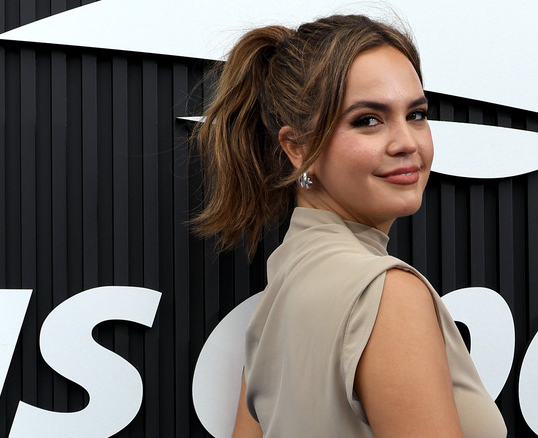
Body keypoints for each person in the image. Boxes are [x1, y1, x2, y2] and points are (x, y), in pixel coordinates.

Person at [193, 14, 506, 438]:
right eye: (368, 120)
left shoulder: (279, 290)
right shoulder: (386, 293)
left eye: (416, 114)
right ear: (297, 148)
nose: (407, 143)